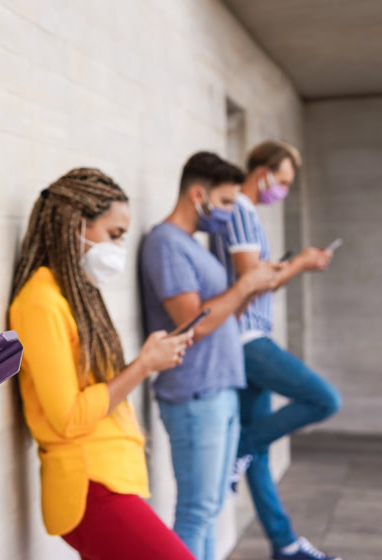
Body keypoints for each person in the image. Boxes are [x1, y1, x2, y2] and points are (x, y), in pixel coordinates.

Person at [8, 168, 195, 560]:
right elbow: (68, 416)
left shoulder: (72, 291)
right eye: (114, 235)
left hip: (109, 477)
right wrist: (143, 366)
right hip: (88, 486)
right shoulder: (40, 301)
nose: (120, 248)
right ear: (77, 224)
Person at [139, 152, 281, 560]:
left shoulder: (191, 245)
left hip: (218, 388)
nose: (226, 215)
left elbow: (220, 311)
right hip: (194, 393)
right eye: (222, 204)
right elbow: (193, 324)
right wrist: (245, 284)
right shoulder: (165, 243)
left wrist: (255, 285)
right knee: (196, 510)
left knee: (212, 507)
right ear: (198, 194)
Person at [210, 141, 342, 560]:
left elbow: (261, 278)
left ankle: (284, 544)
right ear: (262, 172)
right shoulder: (241, 213)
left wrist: (293, 266)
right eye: (281, 182)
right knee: (323, 399)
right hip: (246, 339)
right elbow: (252, 279)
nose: (281, 190)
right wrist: (299, 263)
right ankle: (239, 445)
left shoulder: (247, 215)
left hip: (248, 336)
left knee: (260, 454)